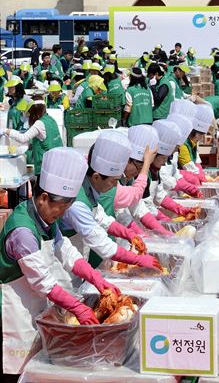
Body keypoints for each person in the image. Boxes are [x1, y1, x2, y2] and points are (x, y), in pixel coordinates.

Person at [0, 148, 122, 379]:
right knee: (16, 367)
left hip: (34, 304)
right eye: (61, 209)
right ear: (44, 198)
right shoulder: (23, 230)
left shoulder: (45, 217)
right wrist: (77, 307)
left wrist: (95, 278)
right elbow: (43, 282)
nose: (61, 215)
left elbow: (66, 251)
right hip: (14, 308)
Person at [60, 130, 162, 270]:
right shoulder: (77, 204)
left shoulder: (90, 188)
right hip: (64, 268)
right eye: (114, 181)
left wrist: (129, 234)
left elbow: (101, 217)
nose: (115, 186)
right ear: (96, 176)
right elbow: (101, 243)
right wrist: (137, 259)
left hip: (78, 260)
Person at [2, 99, 63, 182]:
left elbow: (23, 138)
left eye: (29, 113)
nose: (28, 116)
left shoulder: (39, 123)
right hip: (57, 163)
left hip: (45, 166)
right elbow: (45, 140)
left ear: (34, 112)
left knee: (41, 192)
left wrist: (6, 131)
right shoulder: (50, 119)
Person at [178, 104, 214, 185]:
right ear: (193, 132)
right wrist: (203, 179)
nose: (201, 138)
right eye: (200, 135)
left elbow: (197, 161)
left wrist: (201, 173)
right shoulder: (183, 144)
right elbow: (190, 167)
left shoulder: (193, 142)